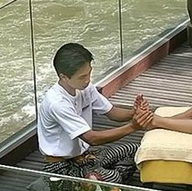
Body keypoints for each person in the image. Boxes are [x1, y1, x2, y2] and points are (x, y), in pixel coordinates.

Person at [38, 43, 143, 183]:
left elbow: (112, 112)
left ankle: (95, 180)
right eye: (82, 77)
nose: (87, 80)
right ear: (63, 77)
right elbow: (92, 138)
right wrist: (132, 127)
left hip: (85, 157)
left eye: (89, 73)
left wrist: (134, 113)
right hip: (60, 166)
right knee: (113, 177)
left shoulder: (85, 87)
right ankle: (92, 180)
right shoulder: (57, 103)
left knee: (134, 149)